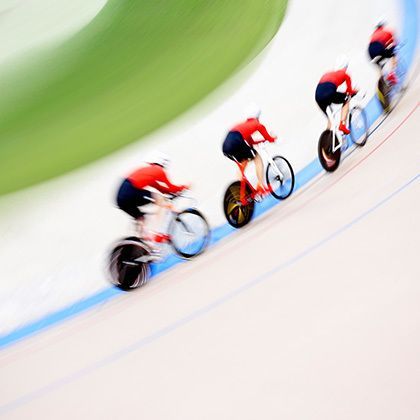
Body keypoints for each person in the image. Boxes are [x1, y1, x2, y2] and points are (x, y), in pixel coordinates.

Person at [116, 153, 188, 241]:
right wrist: (184, 187)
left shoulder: (148, 171)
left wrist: (169, 193)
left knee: (141, 217)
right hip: (131, 192)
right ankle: (157, 234)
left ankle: (143, 241)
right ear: (163, 163)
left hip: (121, 197)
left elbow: (160, 188)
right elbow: (171, 188)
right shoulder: (159, 170)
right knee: (160, 201)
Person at [222, 106, 276, 194]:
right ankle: (261, 186)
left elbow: (250, 143)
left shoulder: (244, 125)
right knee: (257, 157)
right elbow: (269, 138)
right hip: (237, 141)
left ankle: (239, 190)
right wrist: (273, 138)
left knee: (244, 161)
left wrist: (262, 140)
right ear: (257, 117)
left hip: (226, 146)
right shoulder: (257, 124)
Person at [315, 55, 358, 135]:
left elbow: (327, 87)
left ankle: (325, 142)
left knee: (330, 120)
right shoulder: (345, 75)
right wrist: (354, 92)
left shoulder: (328, 73)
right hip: (329, 93)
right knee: (347, 99)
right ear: (345, 67)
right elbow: (349, 91)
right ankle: (342, 124)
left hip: (318, 96)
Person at [368, 19, 398, 85]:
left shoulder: (373, 35)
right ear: (383, 26)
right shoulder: (387, 32)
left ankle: (381, 83)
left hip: (370, 51)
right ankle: (391, 74)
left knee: (379, 66)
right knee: (393, 54)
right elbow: (393, 43)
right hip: (379, 48)